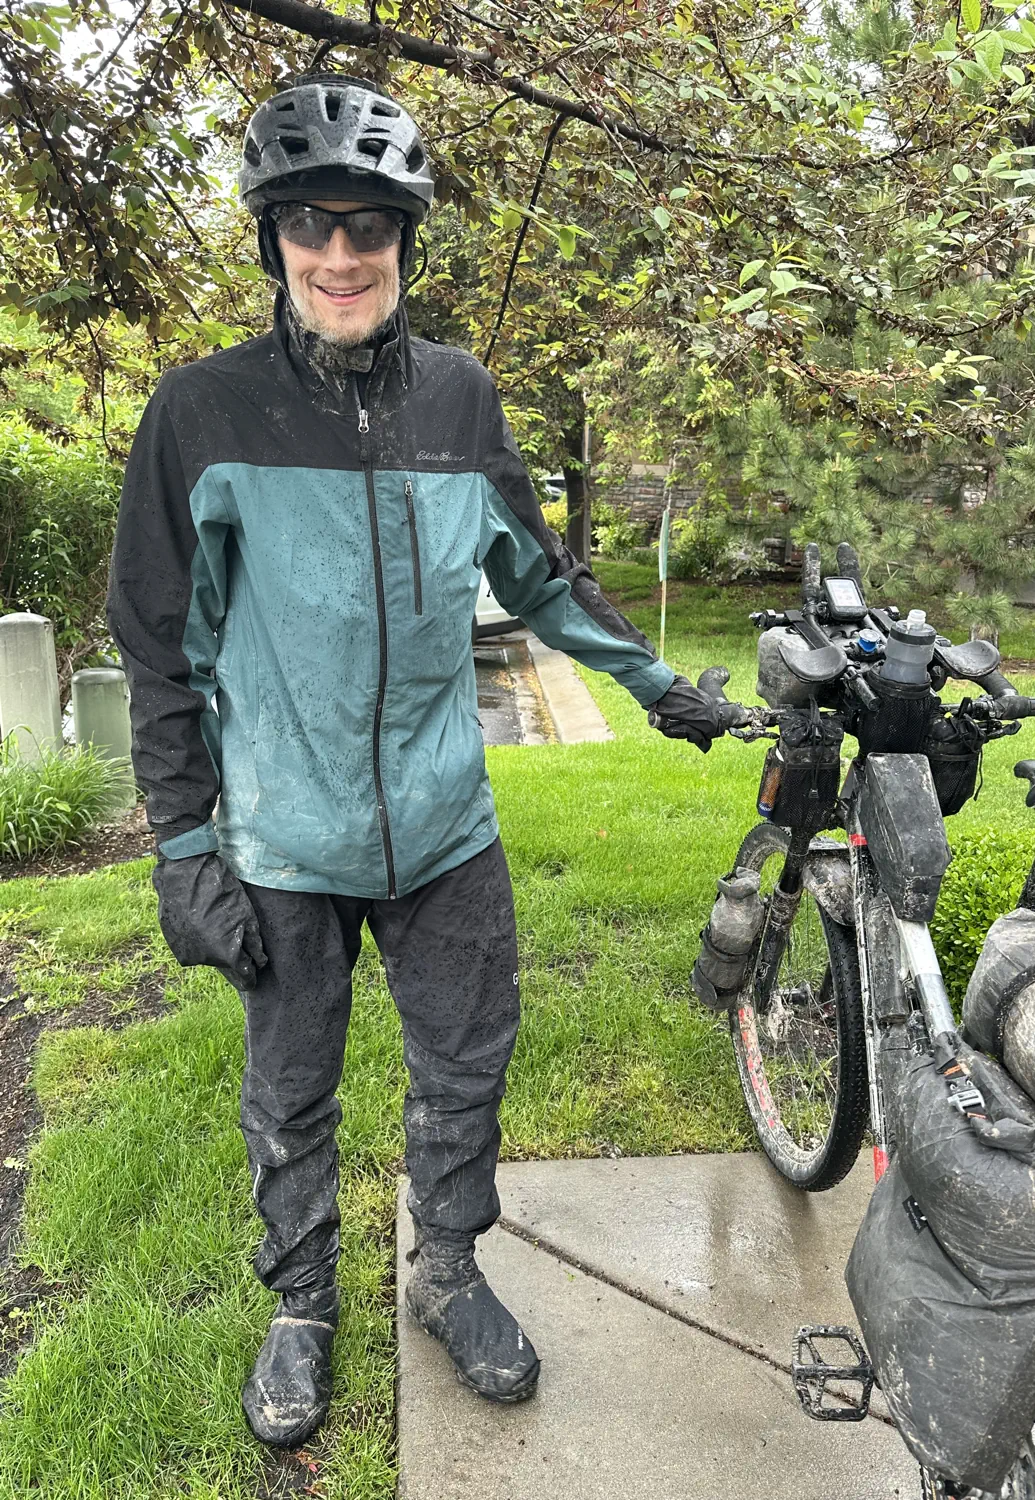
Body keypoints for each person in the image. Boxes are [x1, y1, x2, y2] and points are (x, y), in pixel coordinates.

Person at [106, 73, 731, 1450]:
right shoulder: (204, 412)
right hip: (283, 836)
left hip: (445, 823)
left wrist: (661, 687)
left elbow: (542, 577)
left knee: (465, 1061)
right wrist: (185, 846)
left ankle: (445, 1269)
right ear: (272, 238)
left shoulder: (462, 397)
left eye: (371, 226)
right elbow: (157, 643)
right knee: (291, 1087)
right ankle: (302, 1305)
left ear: (405, 241)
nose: (341, 255)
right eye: (311, 224)